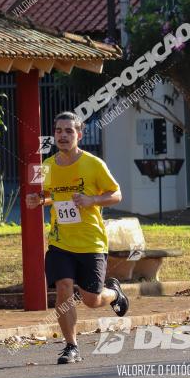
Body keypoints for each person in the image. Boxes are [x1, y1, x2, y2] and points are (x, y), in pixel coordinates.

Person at [26, 111, 129, 364]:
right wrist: (38, 200)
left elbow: (116, 194)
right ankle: (71, 346)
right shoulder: (47, 166)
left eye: (68, 131)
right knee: (63, 288)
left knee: (92, 300)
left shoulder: (93, 164)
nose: (63, 135)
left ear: (79, 135)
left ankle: (114, 293)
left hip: (91, 241)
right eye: (59, 131)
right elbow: (49, 196)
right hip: (60, 241)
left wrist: (92, 199)